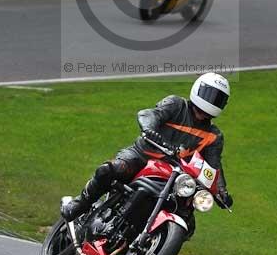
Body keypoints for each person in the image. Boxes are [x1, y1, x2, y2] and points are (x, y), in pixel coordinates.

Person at [61, 73, 234, 224]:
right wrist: (149, 129)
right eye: (209, 94)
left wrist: (221, 191)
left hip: (174, 176)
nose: (211, 101)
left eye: (217, 98)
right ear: (198, 89)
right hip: (142, 157)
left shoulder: (214, 136)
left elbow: (214, 167)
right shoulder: (177, 104)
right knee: (110, 170)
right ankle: (80, 204)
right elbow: (149, 114)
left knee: (188, 220)